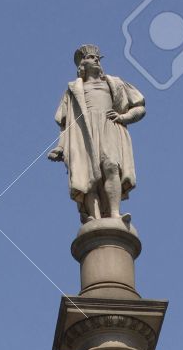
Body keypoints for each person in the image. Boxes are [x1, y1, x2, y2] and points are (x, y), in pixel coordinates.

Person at [48, 44, 145, 223]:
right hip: (83, 133)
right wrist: (61, 146)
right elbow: (65, 123)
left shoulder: (114, 83)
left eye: (97, 58)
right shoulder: (72, 90)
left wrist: (124, 117)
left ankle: (116, 214)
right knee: (87, 175)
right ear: (82, 64)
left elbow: (139, 106)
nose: (96, 60)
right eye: (91, 57)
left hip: (109, 127)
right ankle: (95, 217)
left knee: (111, 166)